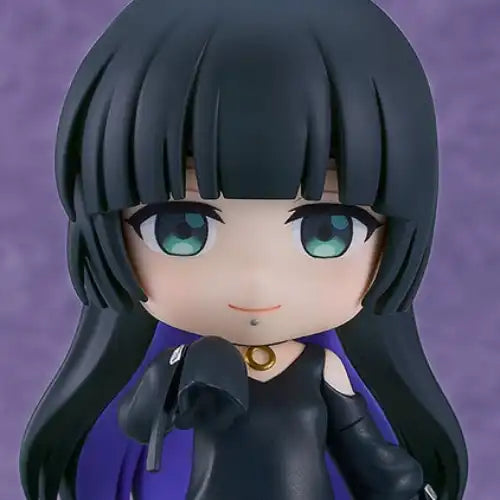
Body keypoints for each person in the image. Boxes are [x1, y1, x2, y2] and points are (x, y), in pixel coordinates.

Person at [19, 0, 468, 498]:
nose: (256, 280)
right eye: (181, 229)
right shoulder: (182, 364)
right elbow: (138, 424)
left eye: (328, 231)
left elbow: (362, 449)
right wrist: (174, 381)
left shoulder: (322, 370)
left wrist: (403, 484)